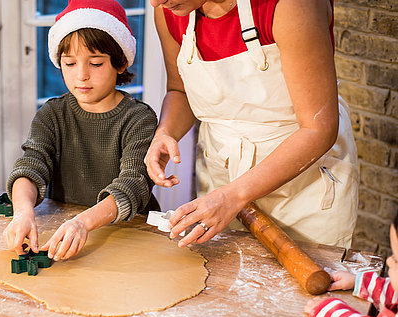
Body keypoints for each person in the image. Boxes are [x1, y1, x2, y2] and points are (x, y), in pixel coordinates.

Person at [145, 0, 358, 248]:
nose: (156, 2)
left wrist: (234, 195)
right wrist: (166, 132)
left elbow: (319, 128)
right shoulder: (169, 10)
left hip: (303, 190)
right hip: (220, 182)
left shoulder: (288, 5)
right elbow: (179, 90)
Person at [3, 0, 159, 261]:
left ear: (120, 63)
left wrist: (82, 222)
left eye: (95, 63)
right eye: (70, 63)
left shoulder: (138, 118)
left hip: (131, 235)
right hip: (67, 231)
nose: (81, 76)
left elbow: (133, 184)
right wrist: (23, 211)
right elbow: (30, 167)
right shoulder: (51, 115)